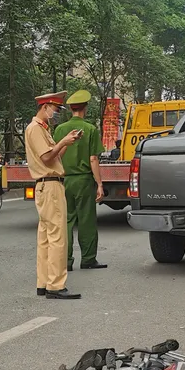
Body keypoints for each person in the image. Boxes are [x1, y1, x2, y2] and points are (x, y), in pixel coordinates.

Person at [25, 91, 84, 300]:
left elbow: (55, 156)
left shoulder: (42, 129)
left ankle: (44, 283)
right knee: (58, 237)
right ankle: (56, 285)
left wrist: (67, 143)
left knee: (46, 238)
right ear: (45, 107)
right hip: (50, 186)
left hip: (47, 186)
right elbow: (48, 158)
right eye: (55, 109)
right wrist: (62, 142)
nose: (57, 113)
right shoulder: (35, 129)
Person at [53, 89, 107, 271]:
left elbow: (56, 155)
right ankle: (88, 259)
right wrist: (99, 184)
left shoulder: (60, 129)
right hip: (84, 181)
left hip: (64, 180)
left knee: (66, 221)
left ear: (70, 109)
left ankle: (66, 261)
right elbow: (93, 159)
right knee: (86, 220)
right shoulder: (90, 129)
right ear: (85, 108)